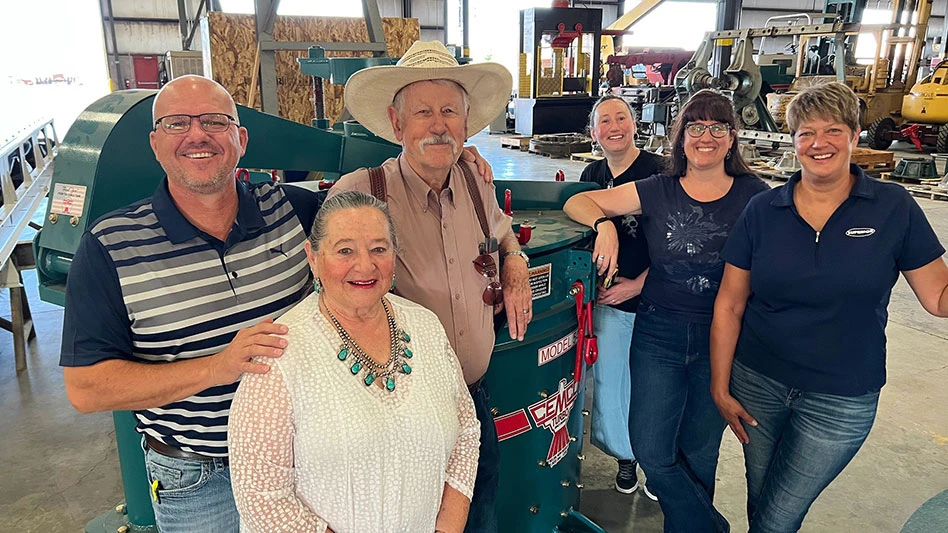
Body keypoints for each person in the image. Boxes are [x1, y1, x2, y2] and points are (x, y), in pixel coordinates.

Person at [58, 75, 321, 531]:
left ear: (240, 140)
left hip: (302, 458)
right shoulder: (110, 247)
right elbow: (86, 388)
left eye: (214, 122)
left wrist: (457, 163)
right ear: (155, 144)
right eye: (177, 123)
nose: (197, 135)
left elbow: (378, 207)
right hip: (198, 479)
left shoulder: (293, 212)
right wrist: (216, 368)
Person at [710, 82, 948, 533]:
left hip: (841, 397)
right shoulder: (763, 210)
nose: (819, 143)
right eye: (806, 133)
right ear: (794, 141)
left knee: (776, 518)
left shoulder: (893, 207)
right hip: (758, 382)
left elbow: (938, 298)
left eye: (833, 130)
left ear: (856, 136)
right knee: (761, 498)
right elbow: (730, 304)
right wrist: (721, 388)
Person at [330, 40, 533, 533]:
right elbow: (325, 306)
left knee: (479, 519)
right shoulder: (360, 195)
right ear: (397, 124)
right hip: (397, 417)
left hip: (474, 403)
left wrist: (515, 260)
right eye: (422, 112)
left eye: (449, 111)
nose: (438, 124)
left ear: (466, 124)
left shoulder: (476, 184)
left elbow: (502, 230)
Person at [564, 89, 769, 533]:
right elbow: (576, 202)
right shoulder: (658, 189)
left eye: (718, 127)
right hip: (658, 333)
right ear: (681, 137)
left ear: (732, 138)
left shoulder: (755, 195)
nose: (706, 136)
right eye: (696, 127)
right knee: (651, 448)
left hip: (722, 336)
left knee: (699, 452)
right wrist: (604, 226)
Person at [229, 191, 480, 533]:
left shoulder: (425, 326)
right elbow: (261, 498)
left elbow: (466, 429)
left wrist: (448, 525)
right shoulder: (279, 355)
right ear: (313, 258)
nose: (365, 265)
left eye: (379, 249)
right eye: (345, 250)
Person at [579, 94, 662, 498]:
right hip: (608, 305)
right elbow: (575, 224)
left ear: (634, 124)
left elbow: (679, 244)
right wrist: (603, 225)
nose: (614, 126)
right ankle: (626, 456)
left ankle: (661, 465)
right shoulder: (592, 175)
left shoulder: (659, 172)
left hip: (657, 300)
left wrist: (637, 284)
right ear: (593, 132)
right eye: (604, 121)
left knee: (657, 387)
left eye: (621, 118)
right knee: (611, 384)